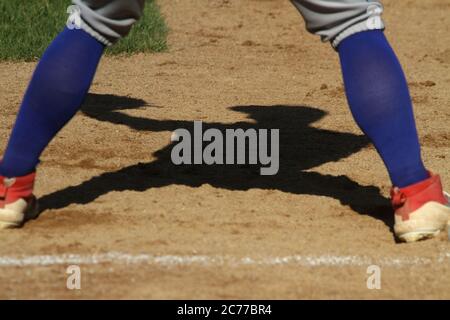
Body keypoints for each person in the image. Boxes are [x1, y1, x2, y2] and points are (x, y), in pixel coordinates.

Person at [0, 0, 448, 242]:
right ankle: (415, 192)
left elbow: (150, 127)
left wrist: (119, 113)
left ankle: (10, 186)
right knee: (352, 19)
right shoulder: (334, 141)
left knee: (94, 18)